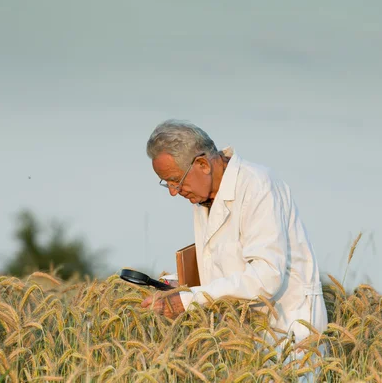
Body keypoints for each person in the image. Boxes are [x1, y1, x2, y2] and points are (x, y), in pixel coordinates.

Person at [141, 119, 328, 359]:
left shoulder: (258, 185)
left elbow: (267, 276)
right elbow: (224, 267)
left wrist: (190, 301)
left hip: (288, 331)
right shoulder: (204, 196)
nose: (173, 191)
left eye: (176, 180)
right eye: (166, 183)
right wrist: (175, 285)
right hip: (242, 338)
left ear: (202, 164)